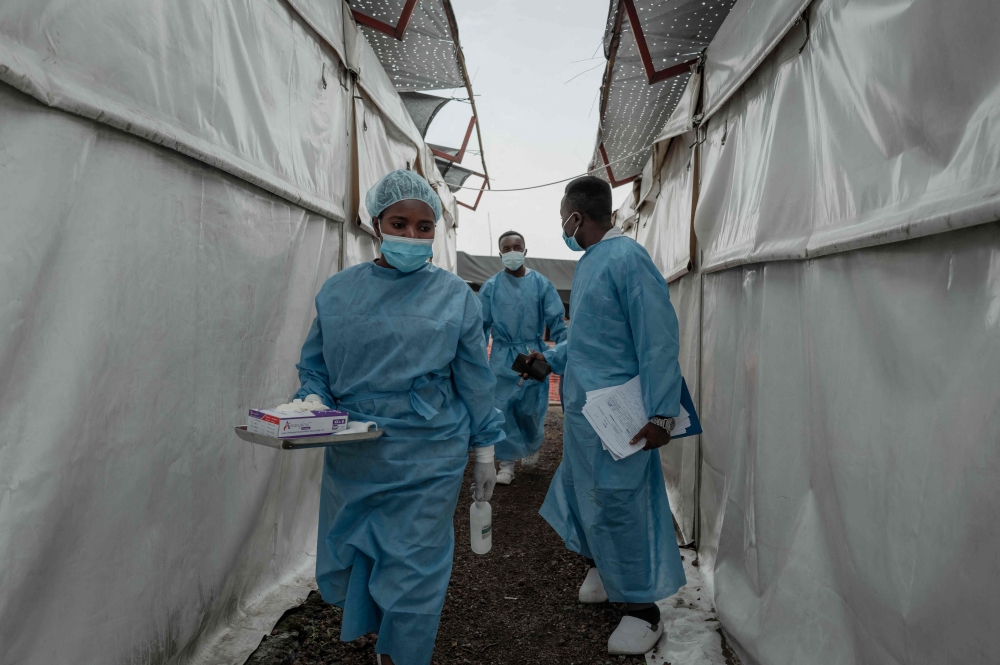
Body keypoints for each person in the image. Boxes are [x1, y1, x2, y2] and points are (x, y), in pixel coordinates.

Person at [294, 169, 504, 665]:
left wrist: (486, 449)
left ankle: (404, 655)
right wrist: (313, 401)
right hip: (355, 452)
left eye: (424, 227)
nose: (412, 236)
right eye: (400, 223)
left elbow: (475, 379)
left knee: (415, 568)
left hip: (428, 454)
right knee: (360, 554)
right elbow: (315, 365)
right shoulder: (337, 292)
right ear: (375, 224)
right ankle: (384, 641)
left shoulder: (456, 296)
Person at [522, 175, 685, 656]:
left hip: (621, 418)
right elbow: (590, 338)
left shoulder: (628, 259)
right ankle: (603, 567)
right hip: (586, 417)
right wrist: (548, 361)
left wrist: (662, 413)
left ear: (577, 217)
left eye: (562, 220)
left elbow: (658, 338)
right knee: (582, 492)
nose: (563, 228)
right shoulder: (593, 263)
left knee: (619, 504)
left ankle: (643, 610)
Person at [478, 230, 567, 485]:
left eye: (517, 247)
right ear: (500, 254)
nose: (512, 252)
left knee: (531, 409)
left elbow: (557, 323)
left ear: (525, 251)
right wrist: (478, 361)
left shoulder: (541, 284)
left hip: (532, 354)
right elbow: (480, 327)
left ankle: (531, 444)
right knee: (502, 409)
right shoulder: (491, 287)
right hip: (501, 356)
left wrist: (564, 350)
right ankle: (506, 463)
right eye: (506, 248)